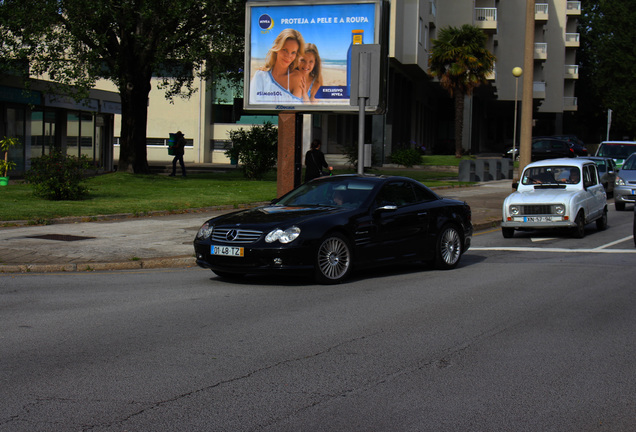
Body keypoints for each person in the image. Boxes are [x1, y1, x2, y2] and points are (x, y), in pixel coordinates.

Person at [249, 29, 305, 104]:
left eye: (293, 52)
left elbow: (295, 110)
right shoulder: (260, 76)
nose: (288, 56)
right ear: (277, 48)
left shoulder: (297, 77)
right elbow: (253, 107)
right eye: (285, 50)